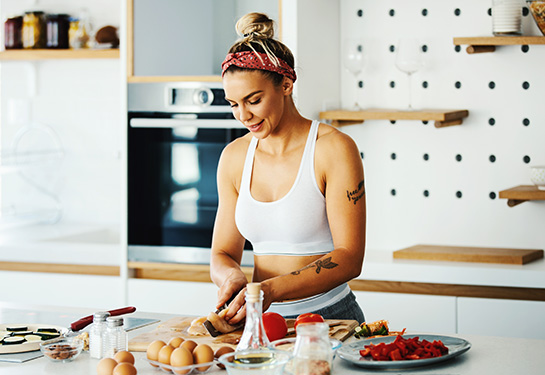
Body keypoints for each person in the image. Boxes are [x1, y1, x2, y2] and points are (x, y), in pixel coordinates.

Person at [210, 12, 366, 325]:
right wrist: (231, 279)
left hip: (328, 318)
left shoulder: (333, 148)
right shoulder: (234, 157)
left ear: (286, 84)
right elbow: (222, 253)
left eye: (253, 100)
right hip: (260, 320)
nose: (243, 115)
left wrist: (271, 290)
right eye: (233, 104)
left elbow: (350, 258)